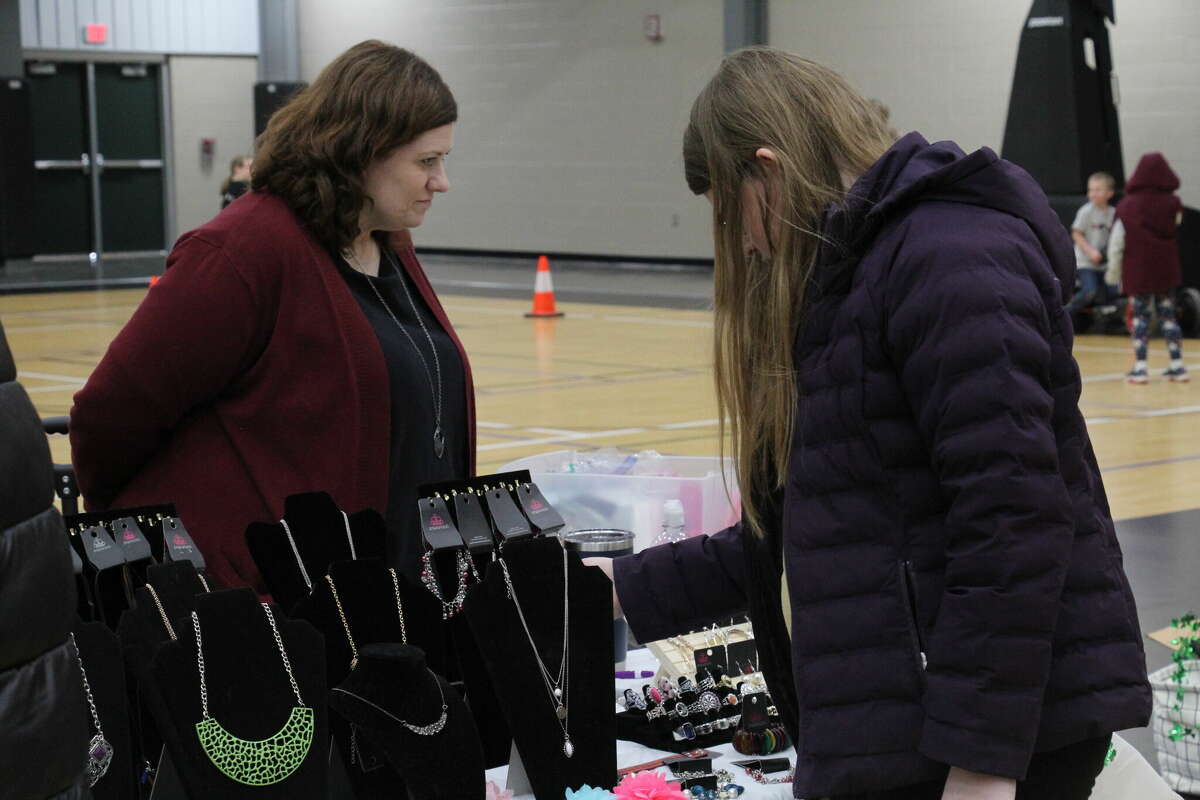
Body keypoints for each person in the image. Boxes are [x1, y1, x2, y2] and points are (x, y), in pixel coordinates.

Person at [590, 48, 1150, 800]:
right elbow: (826, 530)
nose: (745, 244)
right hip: (907, 731)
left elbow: (1013, 520)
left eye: (730, 212)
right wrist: (617, 588)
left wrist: (982, 764)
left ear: (770, 167)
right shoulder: (856, 276)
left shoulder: (949, 259)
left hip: (983, 745)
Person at [70, 41, 475, 590]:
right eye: (427, 161)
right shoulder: (245, 249)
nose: (441, 181)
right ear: (359, 151)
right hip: (268, 605)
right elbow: (111, 413)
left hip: (382, 590)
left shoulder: (386, 241)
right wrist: (143, 533)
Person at [1116, 152, 1187, 384]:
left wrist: (1113, 272)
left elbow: (1119, 239)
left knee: (1140, 318)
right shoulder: (1174, 203)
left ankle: (1141, 368)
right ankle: (1177, 366)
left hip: (1139, 270)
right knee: (1168, 317)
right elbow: (1176, 228)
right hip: (1166, 269)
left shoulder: (1127, 204)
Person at [1065, 172, 1116, 315]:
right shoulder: (1086, 211)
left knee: (1113, 292)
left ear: (1110, 193)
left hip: (1104, 265)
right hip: (1085, 263)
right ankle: (1065, 315)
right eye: (1091, 190)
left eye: (1098, 190)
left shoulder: (1113, 213)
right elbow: (1076, 233)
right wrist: (1090, 252)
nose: (1093, 194)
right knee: (1090, 291)